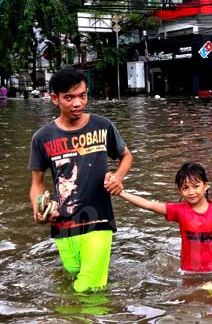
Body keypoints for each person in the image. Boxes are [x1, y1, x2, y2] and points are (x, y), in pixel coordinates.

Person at [28, 66, 133, 292]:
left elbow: (125, 156)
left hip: (99, 218)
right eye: (69, 97)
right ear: (55, 98)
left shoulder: (102, 126)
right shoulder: (42, 138)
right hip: (62, 222)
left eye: (82, 96)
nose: (77, 103)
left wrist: (117, 177)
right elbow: (37, 183)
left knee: (88, 288)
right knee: (74, 272)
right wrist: (39, 209)